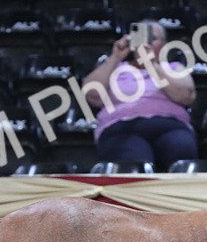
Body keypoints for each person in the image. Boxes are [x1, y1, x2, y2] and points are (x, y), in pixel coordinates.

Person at [81, 20, 197, 171]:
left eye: (152, 38)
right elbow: (91, 95)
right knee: (131, 162)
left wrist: (152, 65)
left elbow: (185, 96)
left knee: (180, 150)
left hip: (170, 125)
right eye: (141, 37)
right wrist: (115, 57)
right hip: (121, 128)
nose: (145, 43)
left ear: (163, 45)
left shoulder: (173, 67)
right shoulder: (115, 69)